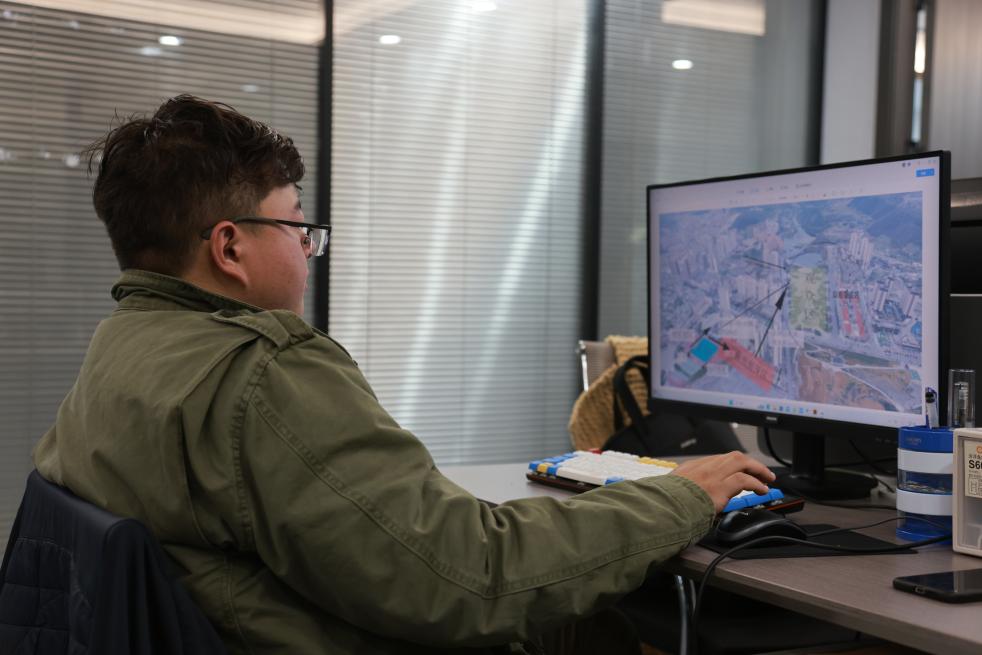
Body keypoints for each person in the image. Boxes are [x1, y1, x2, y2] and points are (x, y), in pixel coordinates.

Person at [33, 95, 776, 654]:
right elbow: (470, 577)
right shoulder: (262, 373)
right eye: (297, 228)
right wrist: (681, 495)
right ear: (230, 247)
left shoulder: (122, 349)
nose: (308, 252)